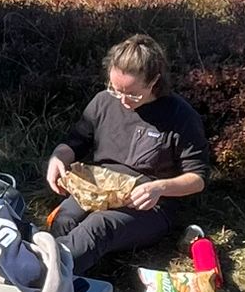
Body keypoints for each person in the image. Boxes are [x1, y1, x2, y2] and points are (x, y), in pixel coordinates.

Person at [44, 33, 212, 276]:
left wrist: (159, 188)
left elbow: (197, 178)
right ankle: (72, 269)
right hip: (99, 188)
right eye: (115, 89)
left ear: (154, 81)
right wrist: (58, 157)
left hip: (150, 204)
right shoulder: (103, 102)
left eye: (132, 94)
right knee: (64, 220)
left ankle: (44, 274)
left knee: (99, 225)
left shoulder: (180, 116)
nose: (123, 100)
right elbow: (76, 142)